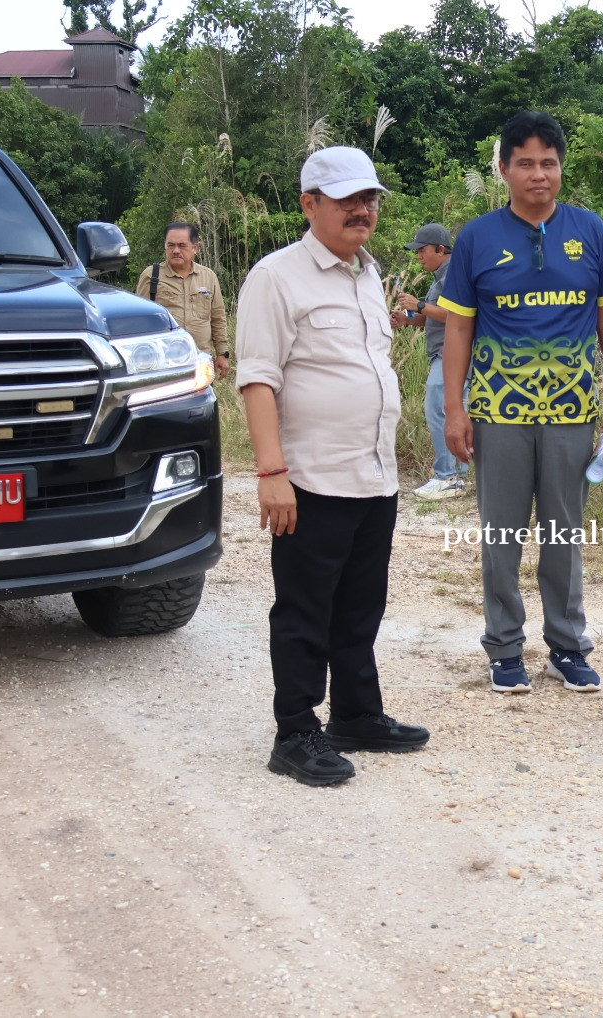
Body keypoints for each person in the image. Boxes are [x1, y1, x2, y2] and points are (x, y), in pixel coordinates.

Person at [235, 145, 429, 788]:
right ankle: (295, 731)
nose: (362, 209)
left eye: (369, 198)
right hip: (310, 478)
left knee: (360, 605)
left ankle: (355, 714)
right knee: (304, 610)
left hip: (373, 474)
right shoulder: (276, 276)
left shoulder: (368, 275)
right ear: (309, 204)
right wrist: (271, 473)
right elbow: (258, 380)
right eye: (346, 199)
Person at [438, 110, 603, 696]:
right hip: (498, 413)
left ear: (560, 167)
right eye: (524, 162)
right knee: (500, 536)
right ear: (503, 169)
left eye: (548, 162)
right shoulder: (477, 237)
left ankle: (567, 647)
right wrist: (455, 409)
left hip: (573, 412)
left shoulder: (590, 231)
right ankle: (503, 648)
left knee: (564, 535)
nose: (538, 174)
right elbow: (457, 332)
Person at [390, 222, 469, 499]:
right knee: (449, 411)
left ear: (440, 248)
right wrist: (410, 318)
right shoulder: (440, 278)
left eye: (421, 250)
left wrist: (420, 305)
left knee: (439, 409)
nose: (418, 256)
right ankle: (456, 478)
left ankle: (447, 477)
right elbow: (437, 315)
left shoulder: (455, 276)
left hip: (452, 356)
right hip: (443, 353)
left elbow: (458, 316)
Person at [137, 221, 230, 377]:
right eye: (170, 245)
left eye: (182, 245)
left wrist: (222, 353)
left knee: (203, 400)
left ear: (195, 248)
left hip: (200, 361)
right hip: (163, 363)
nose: (176, 251)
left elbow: (218, 318)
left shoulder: (208, 277)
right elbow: (138, 319)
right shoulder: (151, 276)